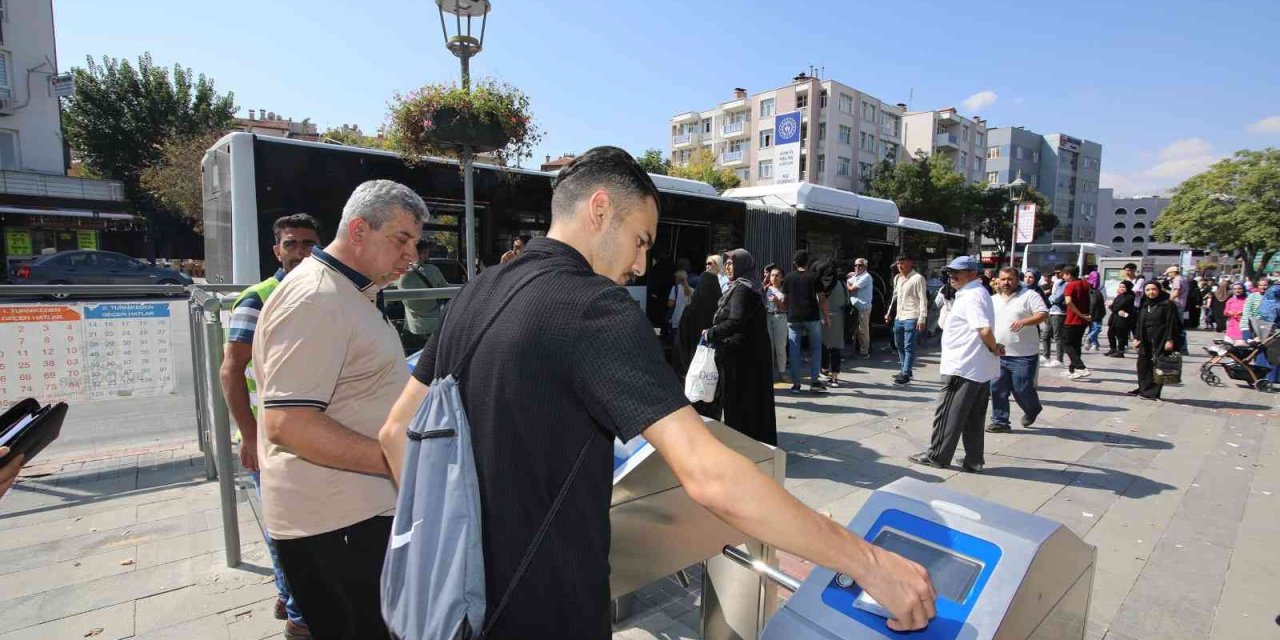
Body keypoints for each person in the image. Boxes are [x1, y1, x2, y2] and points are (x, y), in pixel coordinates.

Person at [377, 146, 936, 639]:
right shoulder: (595, 308)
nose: (642, 263)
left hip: (451, 607)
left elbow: (396, 432)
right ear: (600, 210)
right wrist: (869, 563)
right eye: (641, 240)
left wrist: (451, 549)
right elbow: (710, 475)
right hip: (547, 613)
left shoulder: (477, 291)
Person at [255, 180, 426, 640]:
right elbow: (288, 423)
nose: (411, 256)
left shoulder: (349, 290)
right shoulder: (317, 296)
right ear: (358, 230)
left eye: (415, 243)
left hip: (354, 515)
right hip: (337, 525)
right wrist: (402, 461)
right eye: (401, 240)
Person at [218, 213, 320, 638]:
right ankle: (300, 618)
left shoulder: (322, 292)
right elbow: (231, 370)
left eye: (309, 243)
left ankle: (287, 592)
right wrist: (249, 435)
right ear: (276, 251)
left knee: (306, 526)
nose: (301, 252)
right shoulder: (258, 299)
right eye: (291, 244)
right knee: (287, 528)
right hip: (271, 439)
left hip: (312, 432)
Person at [909, 256, 1002, 472]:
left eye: (957, 272)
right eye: (950, 272)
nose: (951, 276)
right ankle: (974, 460)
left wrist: (993, 347)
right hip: (977, 367)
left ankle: (937, 455)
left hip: (963, 366)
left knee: (948, 413)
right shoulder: (975, 293)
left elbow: (984, 329)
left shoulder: (972, 295)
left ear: (972, 274)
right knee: (973, 417)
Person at [705, 248, 778, 444]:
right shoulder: (751, 286)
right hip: (754, 354)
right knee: (755, 401)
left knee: (740, 402)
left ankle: (742, 444)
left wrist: (711, 332)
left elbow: (736, 321)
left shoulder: (742, 289)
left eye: (732, 263)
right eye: (727, 263)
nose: (728, 267)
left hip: (741, 357)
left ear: (742, 265)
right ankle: (757, 442)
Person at [986, 267, 1048, 433]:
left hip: (1024, 354)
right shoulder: (992, 300)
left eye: (1010, 279)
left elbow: (1042, 314)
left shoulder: (1029, 295)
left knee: (1022, 388)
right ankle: (1000, 422)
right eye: (1003, 279)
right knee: (997, 388)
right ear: (997, 280)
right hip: (998, 353)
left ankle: (1032, 408)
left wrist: (1024, 321)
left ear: (1017, 280)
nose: (1006, 282)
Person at [783, 250, 830, 394]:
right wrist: (827, 317)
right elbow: (822, 299)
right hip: (812, 316)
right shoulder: (814, 277)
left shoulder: (788, 278)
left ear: (794, 263)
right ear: (808, 262)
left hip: (793, 317)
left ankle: (796, 384)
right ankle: (814, 381)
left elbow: (785, 300)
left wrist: (788, 311)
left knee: (794, 351)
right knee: (816, 349)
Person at [674, 254, 723, 376]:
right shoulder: (720, 309)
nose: (707, 265)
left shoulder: (690, 310)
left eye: (710, 263)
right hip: (712, 366)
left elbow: (681, 340)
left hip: (692, 364)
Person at [1131, 282, 1180, 400]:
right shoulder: (1145, 304)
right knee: (1143, 365)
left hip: (1160, 339)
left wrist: (1170, 339)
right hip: (1145, 339)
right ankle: (1143, 388)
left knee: (1158, 365)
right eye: (1147, 290)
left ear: (1159, 290)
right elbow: (1139, 322)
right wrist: (1137, 337)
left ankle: (1153, 392)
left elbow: (1172, 324)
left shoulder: (1167, 305)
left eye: (1154, 289)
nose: (1151, 292)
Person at [397, 239, 451, 342]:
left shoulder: (401, 273)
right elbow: (446, 291)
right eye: (426, 253)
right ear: (421, 254)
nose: (428, 255)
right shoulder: (433, 270)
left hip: (412, 327)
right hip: (434, 326)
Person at [886, 255, 929, 386]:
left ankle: (905, 374)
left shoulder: (918, 278)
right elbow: (895, 296)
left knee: (908, 346)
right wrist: (889, 312)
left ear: (911, 263)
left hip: (912, 316)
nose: (899, 265)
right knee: (898, 344)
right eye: (898, 263)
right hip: (899, 316)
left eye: (902, 263)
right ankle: (905, 369)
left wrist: (922, 318)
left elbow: (923, 299)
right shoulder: (897, 278)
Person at [816, 260, 849, 387]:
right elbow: (847, 301)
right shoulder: (842, 284)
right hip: (838, 319)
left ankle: (823, 370)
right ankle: (834, 377)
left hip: (821, 318)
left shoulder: (819, 285)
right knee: (836, 349)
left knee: (822, 345)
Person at [1060, 265, 1093, 379]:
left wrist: (1079, 314)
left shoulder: (1070, 285)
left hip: (1072, 319)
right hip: (1084, 320)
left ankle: (1081, 367)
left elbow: (1068, 301)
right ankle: (1073, 370)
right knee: (1076, 345)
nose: (1063, 277)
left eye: (1063, 275)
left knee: (1066, 343)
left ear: (1068, 274)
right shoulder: (1085, 283)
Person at [764, 266, 789, 381]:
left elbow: (786, 308)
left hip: (780, 317)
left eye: (777, 275)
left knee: (780, 346)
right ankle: (768, 373)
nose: (774, 277)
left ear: (782, 278)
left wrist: (777, 301)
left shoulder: (785, 291)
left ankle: (782, 372)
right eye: (772, 275)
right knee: (768, 347)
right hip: (767, 317)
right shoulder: (765, 289)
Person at [847, 258, 874, 358]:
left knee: (863, 330)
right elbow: (849, 282)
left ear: (865, 267)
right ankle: (858, 350)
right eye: (856, 265)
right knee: (856, 330)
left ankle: (865, 352)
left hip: (863, 307)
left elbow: (851, 288)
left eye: (860, 265)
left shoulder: (866, 277)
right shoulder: (857, 275)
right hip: (856, 307)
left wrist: (848, 282)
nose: (857, 267)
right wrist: (850, 280)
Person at [1041, 267, 1067, 368]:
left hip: (1059, 312)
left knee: (1057, 336)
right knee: (1045, 335)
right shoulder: (1058, 283)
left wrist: (1050, 298)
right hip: (1051, 310)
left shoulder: (1065, 284)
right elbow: (1053, 296)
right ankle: (1046, 356)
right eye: (1055, 273)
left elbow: (1056, 298)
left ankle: (1059, 359)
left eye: (1058, 273)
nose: (1056, 275)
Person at [1105, 281, 1137, 357]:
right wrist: (1113, 307)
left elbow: (1117, 306)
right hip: (1115, 318)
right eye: (1120, 287)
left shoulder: (1130, 297)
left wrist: (1112, 306)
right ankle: (1113, 349)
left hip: (1123, 319)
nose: (1121, 288)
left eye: (1123, 287)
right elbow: (1115, 307)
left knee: (1121, 335)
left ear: (1128, 287)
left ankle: (1120, 351)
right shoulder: (1120, 296)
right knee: (1110, 334)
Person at [1166, 266, 1190, 353]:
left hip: (1177, 305)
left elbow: (1175, 293)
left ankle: (1182, 348)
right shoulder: (1183, 279)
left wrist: (1169, 301)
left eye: (1169, 273)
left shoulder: (1177, 280)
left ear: (1173, 272)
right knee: (1179, 326)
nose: (1168, 275)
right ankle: (1182, 348)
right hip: (1181, 304)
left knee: (1178, 327)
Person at [1085, 272, 1107, 352]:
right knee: (1095, 327)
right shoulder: (1099, 287)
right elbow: (1104, 298)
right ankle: (1093, 342)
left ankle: (1093, 342)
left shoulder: (1090, 286)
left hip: (1094, 311)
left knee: (1094, 327)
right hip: (1096, 311)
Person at [668, 267, 693, 334]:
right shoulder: (693, 290)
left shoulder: (675, 288)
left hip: (676, 318)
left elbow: (670, 304)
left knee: (675, 337)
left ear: (677, 279)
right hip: (688, 319)